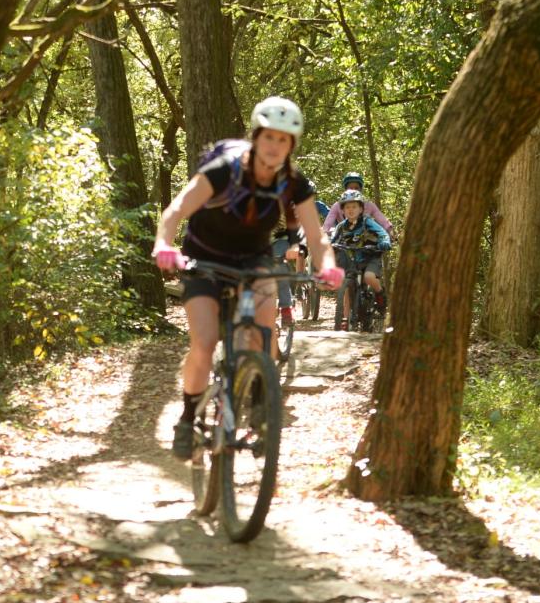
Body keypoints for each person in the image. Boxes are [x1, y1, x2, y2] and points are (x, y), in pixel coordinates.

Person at [152, 97, 343, 459]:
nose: (274, 146)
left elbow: (316, 236)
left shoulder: (293, 183)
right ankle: (189, 418)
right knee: (205, 342)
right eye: (269, 137)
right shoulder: (223, 171)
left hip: (253, 261)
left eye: (283, 140)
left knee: (262, 334)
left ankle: (258, 403)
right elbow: (176, 209)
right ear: (256, 137)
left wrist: (328, 265)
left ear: (292, 146)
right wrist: (164, 244)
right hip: (204, 259)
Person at [327, 189, 391, 330]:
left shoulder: (367, 222)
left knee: (368, 277)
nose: (351, 210)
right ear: (342, 210)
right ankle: (348, 318)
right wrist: (329, 245)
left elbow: (382, 233)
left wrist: (384, 241)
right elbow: (333, 240)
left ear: (361, 208)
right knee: (349, 283)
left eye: (354, 207)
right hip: (353, 259)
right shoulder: (341, 226)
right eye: (347, 207)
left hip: (370, 256)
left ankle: (380, 297)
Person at [321, 172, 392, 237]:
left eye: (356, 188)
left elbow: (383, 220)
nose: (354, 190)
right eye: (350, 188)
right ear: (345, 190)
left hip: (365, 239)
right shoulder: (337, 206)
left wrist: (390, 231)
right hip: (344, 238)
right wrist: (325, 233)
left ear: (361, 189)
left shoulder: (369, 205)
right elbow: (328, 223)